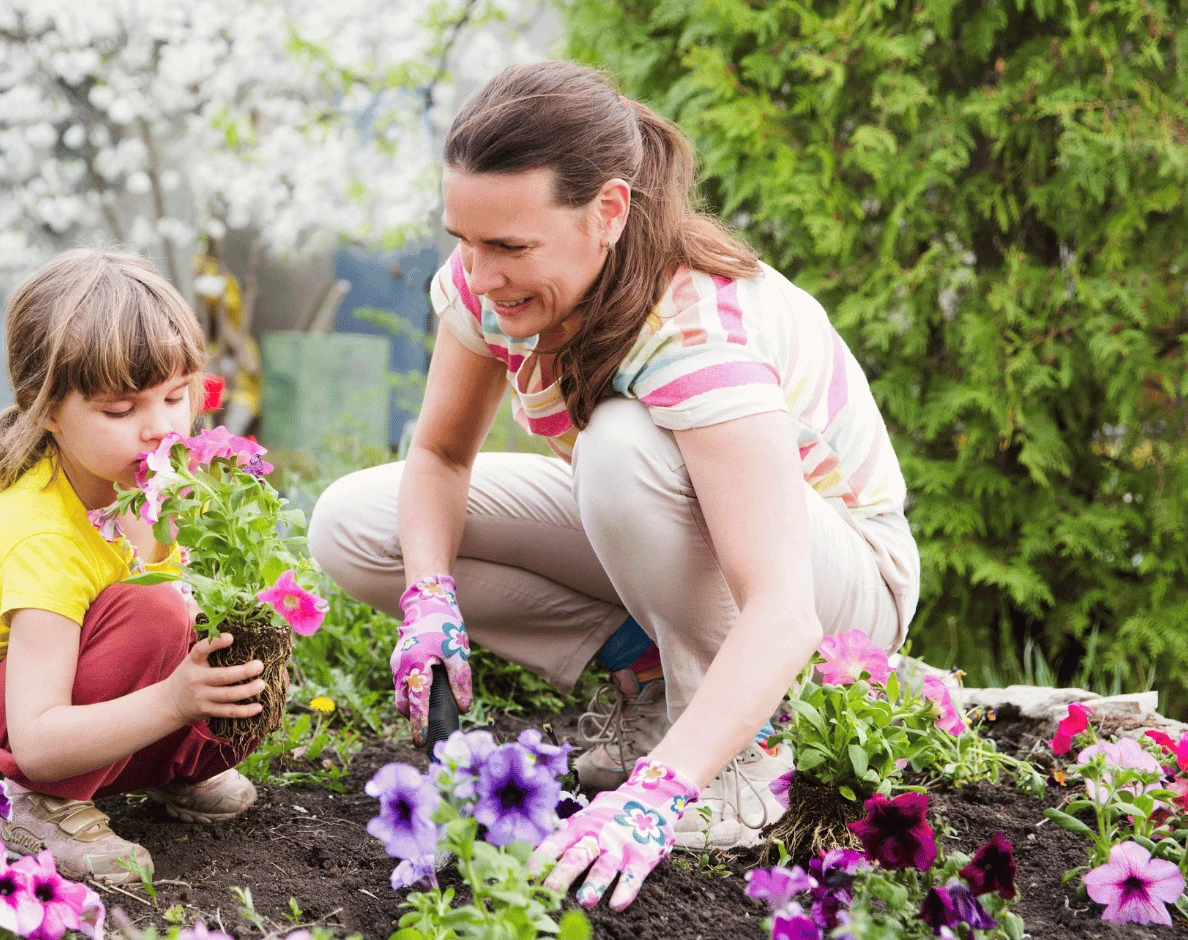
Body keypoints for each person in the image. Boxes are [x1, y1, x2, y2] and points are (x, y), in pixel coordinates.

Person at [310, 61, 920, 910]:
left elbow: (782, 608)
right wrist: (430, 601)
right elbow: (441, 458)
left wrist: (653, 797)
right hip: (689, 536)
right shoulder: (491, 286)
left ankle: (736, 761)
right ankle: (649, 679)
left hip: (842, 585)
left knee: (622, 446)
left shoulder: (696, 328)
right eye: (464, 240)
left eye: (510, 247)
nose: (478, 276)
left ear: (608, 210)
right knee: (355, 525)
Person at [0, 250, 266, 886]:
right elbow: (38, 737)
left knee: (217, 641)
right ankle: (34, 805)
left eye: (176, 396)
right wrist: (173, 701)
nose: (160, 428)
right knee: (153, 615)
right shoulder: (43, 533)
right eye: (121, 410)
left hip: (62, 696)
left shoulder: (160, 488)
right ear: (45, 409)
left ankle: (148, 772)